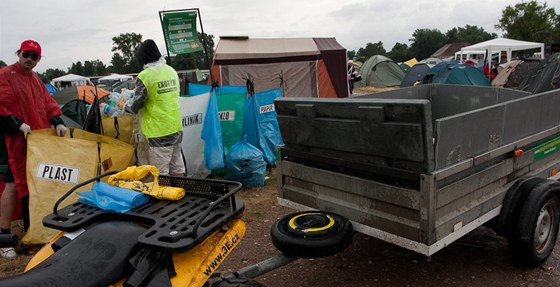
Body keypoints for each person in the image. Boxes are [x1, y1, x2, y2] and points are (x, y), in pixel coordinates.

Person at [0, 40, 66, 259]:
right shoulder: (5, 75)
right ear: (19, 53)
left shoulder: (36, 80)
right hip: (11, 141)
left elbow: (48, 104)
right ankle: (4, 238)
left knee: (35, 186)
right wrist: (15, 123)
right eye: (26, 54)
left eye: (34, 57)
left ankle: (32, 232)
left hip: (35, 143)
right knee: (11, 186)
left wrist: (57, 120)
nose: (29, 59)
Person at [126, 39, 186, 177]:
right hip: (175, 127)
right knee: (177, 166)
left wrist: (123, 106)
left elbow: (136, 105)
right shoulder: (171, 71)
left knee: (161, 173)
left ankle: (166, 198)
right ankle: (182, 195)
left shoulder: (146, 76)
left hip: (158, 132)